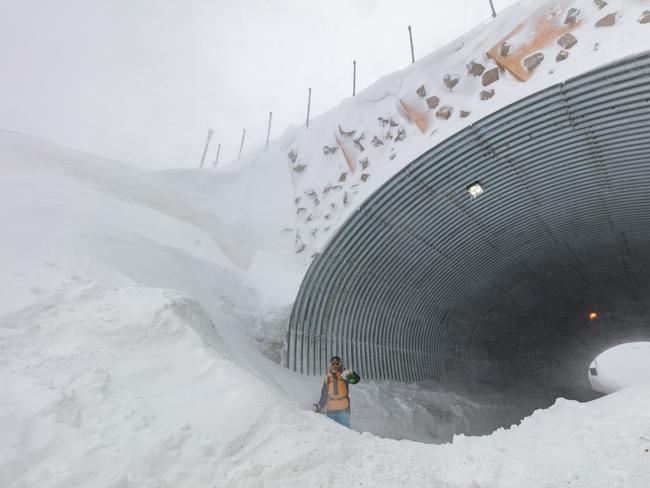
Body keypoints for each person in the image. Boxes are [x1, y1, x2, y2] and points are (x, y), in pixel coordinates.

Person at [312, 355, 360, 428]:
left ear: (340, 364)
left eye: (337, 364)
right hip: (331, 410)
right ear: (330, 365)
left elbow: (356, 380)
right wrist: (319, 406)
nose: (335, 366)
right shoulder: (328, 378)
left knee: (345, 431)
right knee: (332, 432)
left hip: (344, 409)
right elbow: (324, 395)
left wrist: (351, 373)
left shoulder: (344, 375)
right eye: (333, 364)